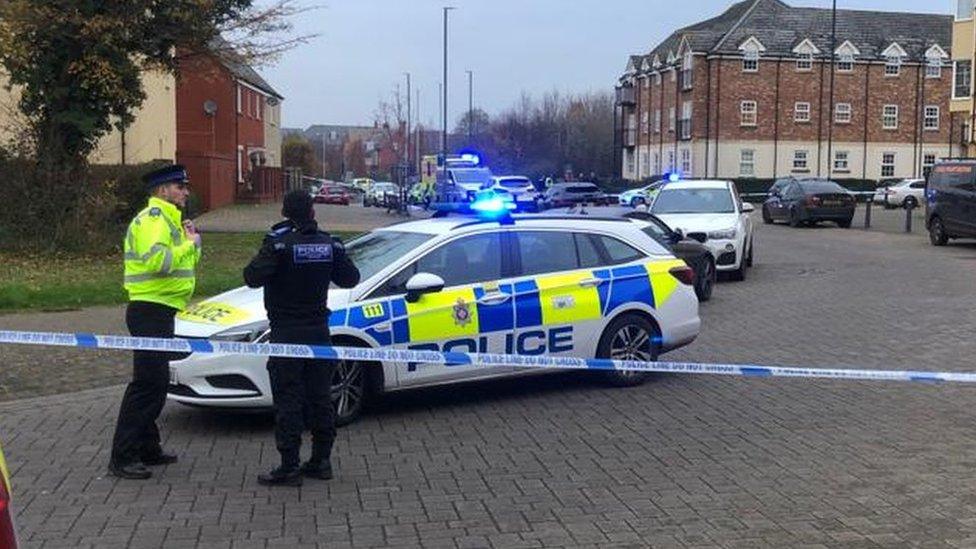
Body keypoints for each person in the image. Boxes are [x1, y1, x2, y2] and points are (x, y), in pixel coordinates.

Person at [244, 190, 360, 486]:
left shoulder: (279, 244)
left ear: (285, 213)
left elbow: (252, 277)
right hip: (319, 334)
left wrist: (270, 247)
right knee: (321, 399)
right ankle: (321, 461)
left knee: (289, 400)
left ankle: (289, 465)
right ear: (312, 212)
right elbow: (350, 278)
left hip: (287, 334)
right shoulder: (329, 243)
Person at [109, 164, 201, 480]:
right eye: (180, 187)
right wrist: (189, 245)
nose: (186, 192)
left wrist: (192, 243)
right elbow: (159, 262)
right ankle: (123, 457)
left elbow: (183, 264)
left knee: (155, 382)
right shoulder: (154, 220)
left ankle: (148, 447)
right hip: (149, 309)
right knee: (147, 385)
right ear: (163, 190)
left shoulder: (170, 220)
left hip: (160, 309)